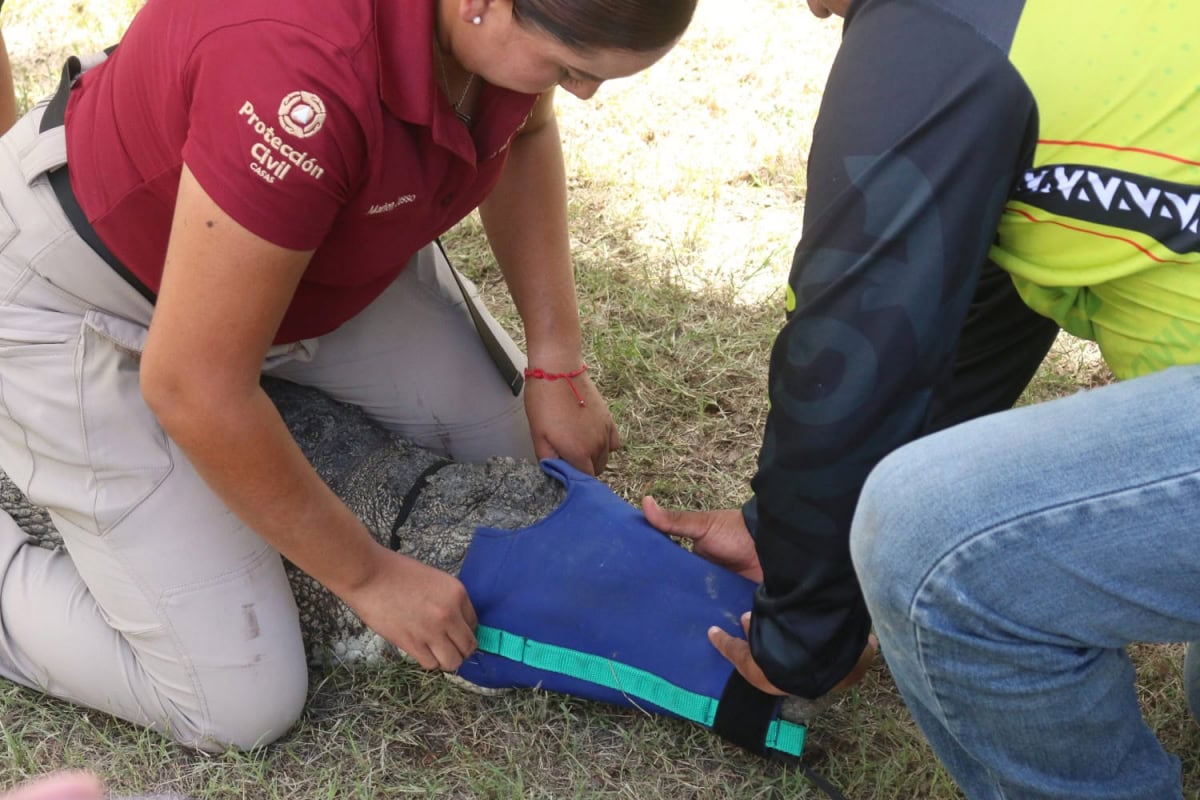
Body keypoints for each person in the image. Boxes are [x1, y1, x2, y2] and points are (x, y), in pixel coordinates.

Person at [0, 0, 692, 752]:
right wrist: (370, 578)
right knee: (237, 702)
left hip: (314, 257)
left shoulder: (495, 33)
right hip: (82, 289)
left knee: (522, 461)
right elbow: (192, 388)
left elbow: (526, 131)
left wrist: (555, 356)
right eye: (568, 69)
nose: (583, 93)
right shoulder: (299, 74)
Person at [646, 0, 1200, 797]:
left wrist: (803, 639)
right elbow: (962, 325)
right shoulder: (1020, 40)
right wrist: (791, 539)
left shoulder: (935, 35)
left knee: (931, 542)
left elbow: (851, 352)